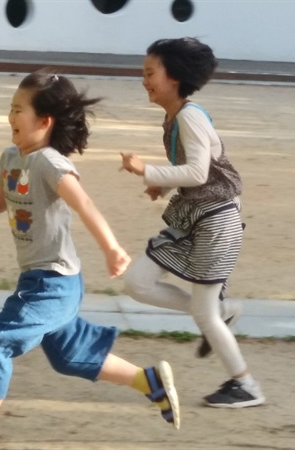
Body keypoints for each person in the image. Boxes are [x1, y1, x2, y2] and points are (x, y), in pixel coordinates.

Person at [0, 72, 180, 450]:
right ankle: (149, 381)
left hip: (53, 284)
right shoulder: (11, 158)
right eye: (10, 108)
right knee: (70, 355)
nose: (10, 116)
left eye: (18, 109)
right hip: (37, 282)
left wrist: (111, 247)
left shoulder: (50, 164)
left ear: (44, 121)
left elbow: (84, 203)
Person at [120, 37, 265, 409]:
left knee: (203, 311)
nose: (144, 80)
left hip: (216, 220)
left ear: (175, 77)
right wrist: (163, 184)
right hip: (196, 216)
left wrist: (147, 170)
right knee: (137, 282)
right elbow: (196, 172)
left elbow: (199, 172)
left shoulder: (190, 116)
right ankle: (223, 312)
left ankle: (246, 385)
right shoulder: (175, 118)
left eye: (150, 72)